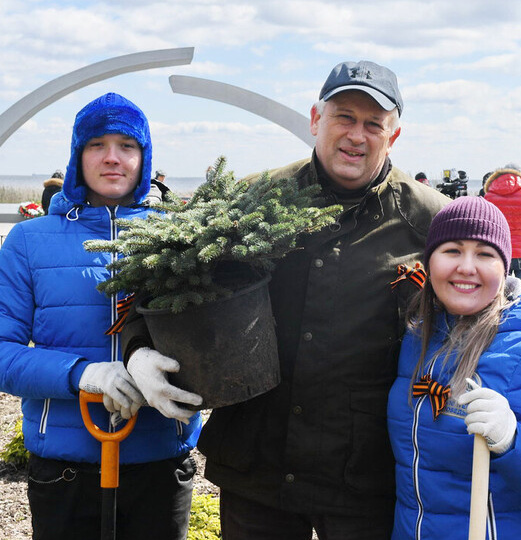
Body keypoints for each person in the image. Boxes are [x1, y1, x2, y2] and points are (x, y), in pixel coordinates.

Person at [121, 60, 449, 539]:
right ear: (316, 120)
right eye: (344, 118)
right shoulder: (253, 198)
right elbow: (162, 275)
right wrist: (137, 351)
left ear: (392, 137)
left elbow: (490, 295)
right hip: (260, 465)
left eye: (373, 124)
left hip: (366, 474)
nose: (357, 135)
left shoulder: (429, 220)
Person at [0, 92, 203, 540]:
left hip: (160, 464)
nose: (112, 158)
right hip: (65, 474)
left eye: (127, 146)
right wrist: (83, 375)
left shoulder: (182, 239)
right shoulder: (30, 242)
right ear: (77, 156)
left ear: (145, 156)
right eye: (97, 144)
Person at [387, 196, 521, 539]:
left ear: (506, 267)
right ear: (429, 262)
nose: (467, 267)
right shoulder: (417, 337)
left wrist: (512, 441)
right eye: (452, 250)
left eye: (485, 254)